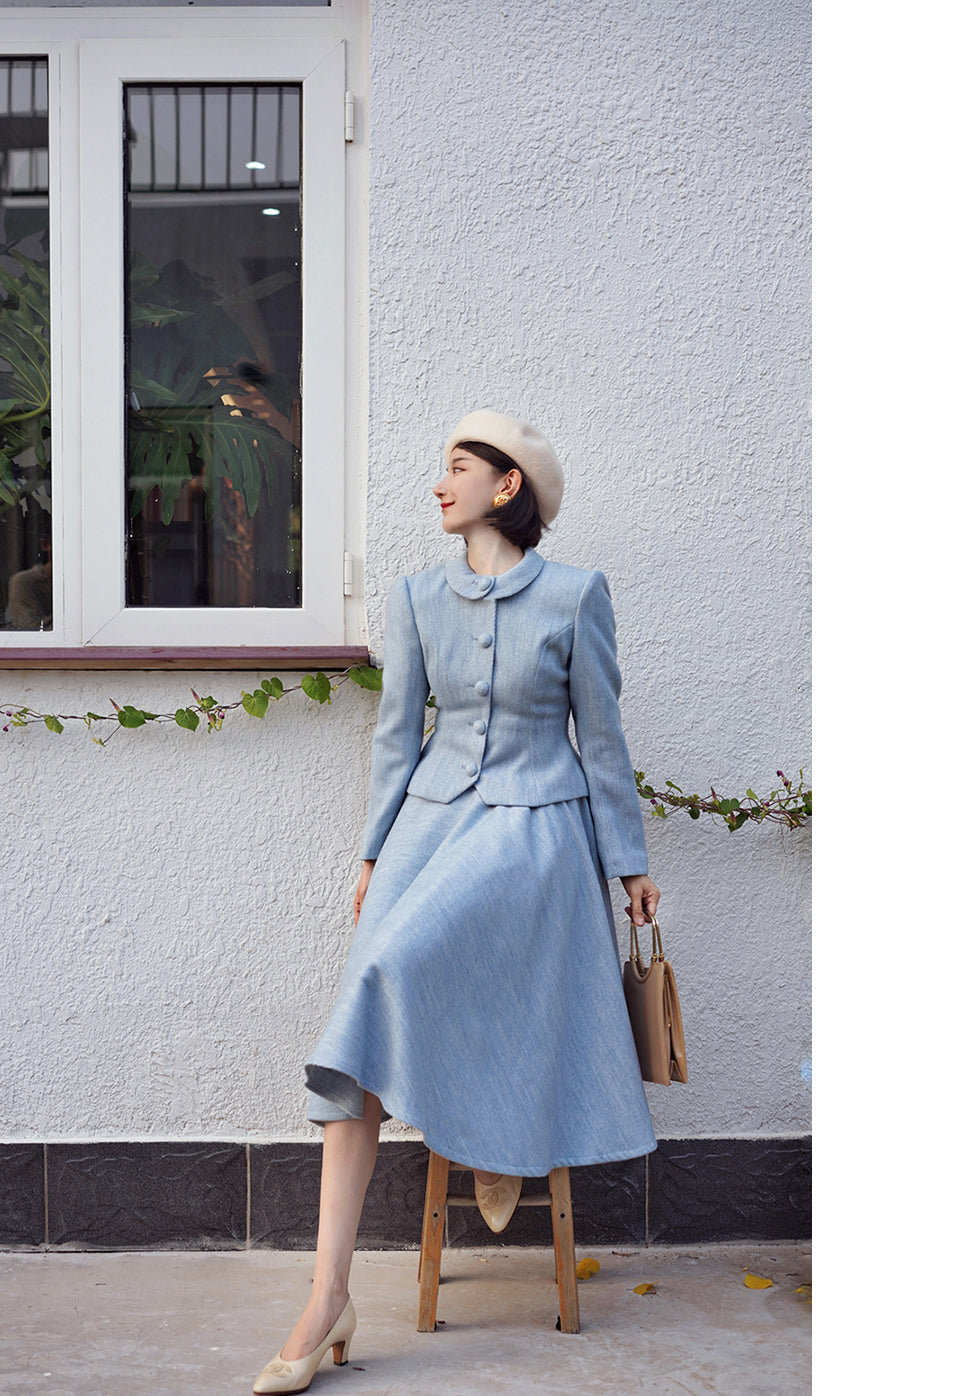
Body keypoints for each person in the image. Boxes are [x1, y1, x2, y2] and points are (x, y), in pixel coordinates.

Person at [252, 410, 661, 1394]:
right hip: (429, 828)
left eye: (459, 467)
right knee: (359, 1022)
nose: (440, 484)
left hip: (535, 838)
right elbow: (397, 739)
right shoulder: (416, 598)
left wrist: (628, 860)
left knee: (399, 970)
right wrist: (371, 851)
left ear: (507, 485)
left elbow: (599, 740)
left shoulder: (572, 597)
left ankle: (490, 1136)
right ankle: (327, 1294)